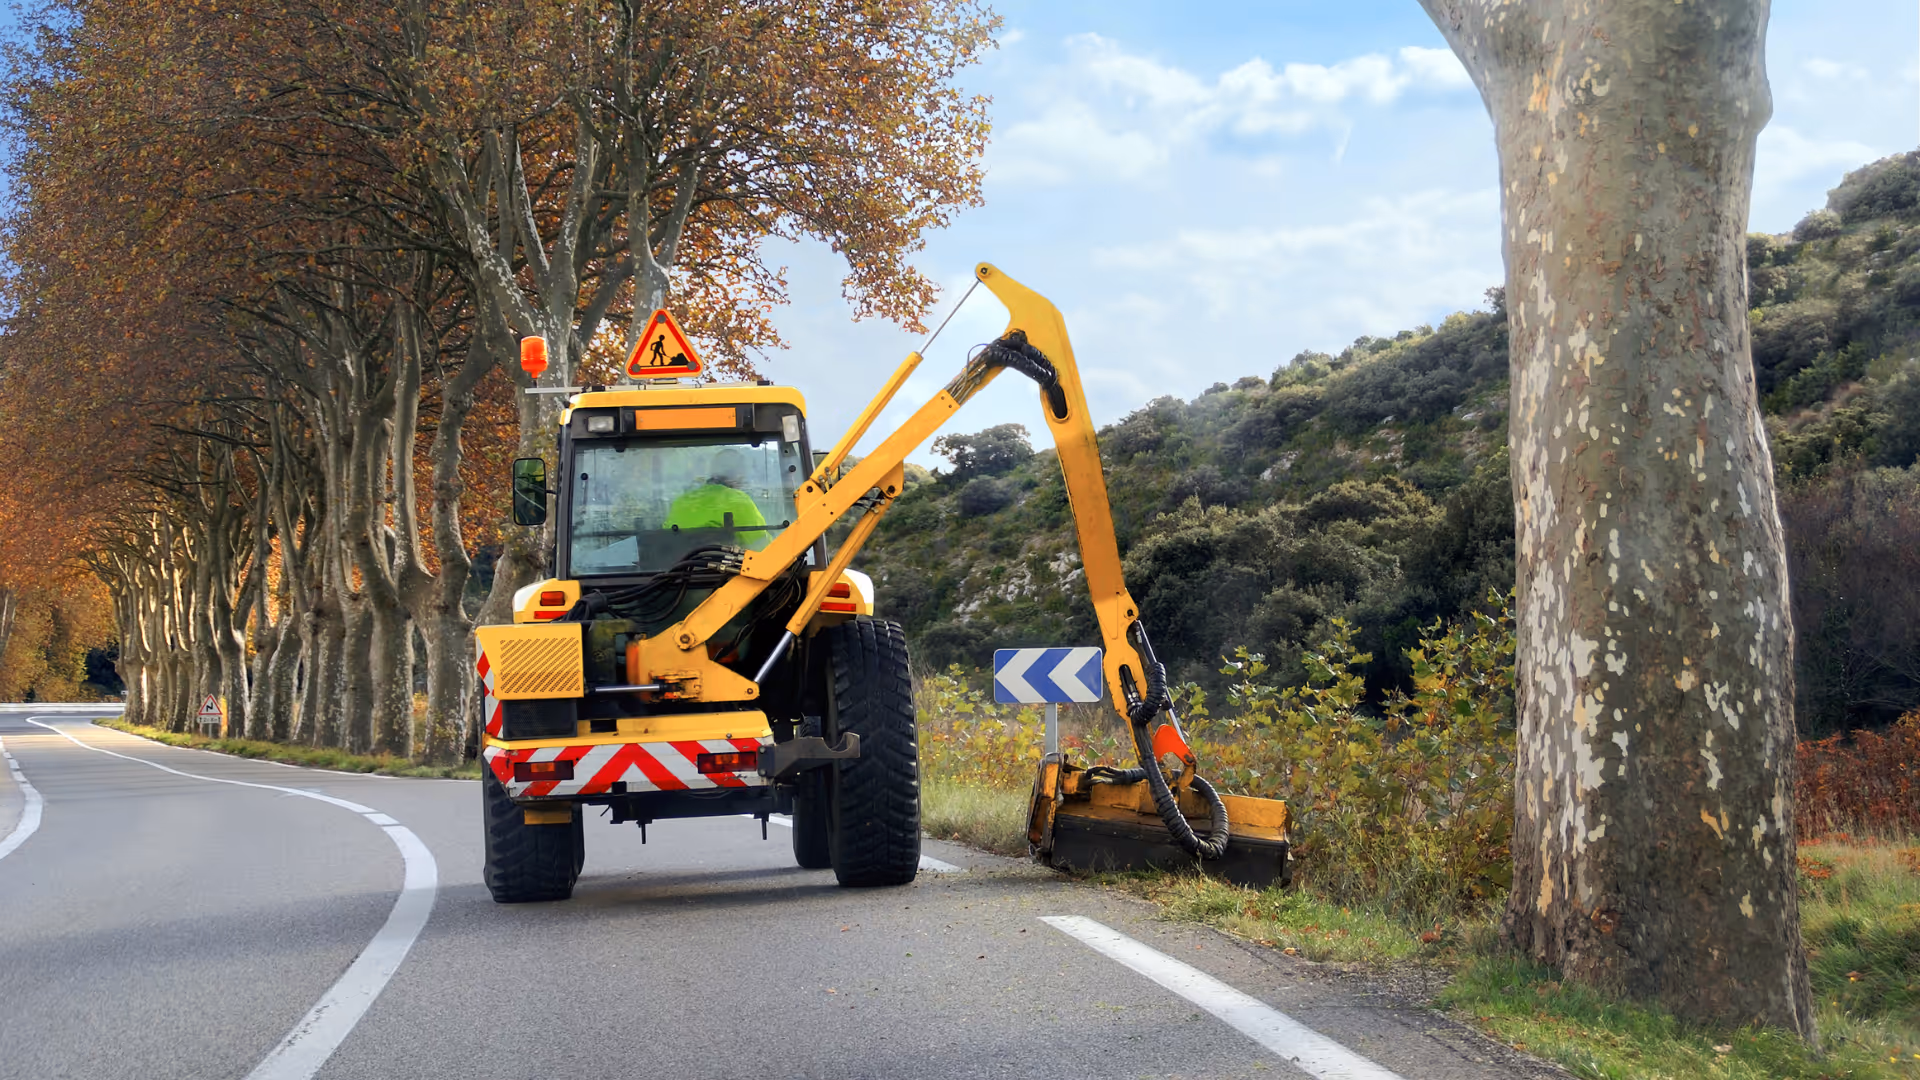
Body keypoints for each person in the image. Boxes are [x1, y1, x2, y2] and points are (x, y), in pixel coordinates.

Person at [664, 446, 767, 547]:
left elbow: (665, 539)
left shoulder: (681, 502)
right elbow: (762, 545)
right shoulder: (738, 501)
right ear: (739, 474)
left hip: (678, 558)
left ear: (712, 471)